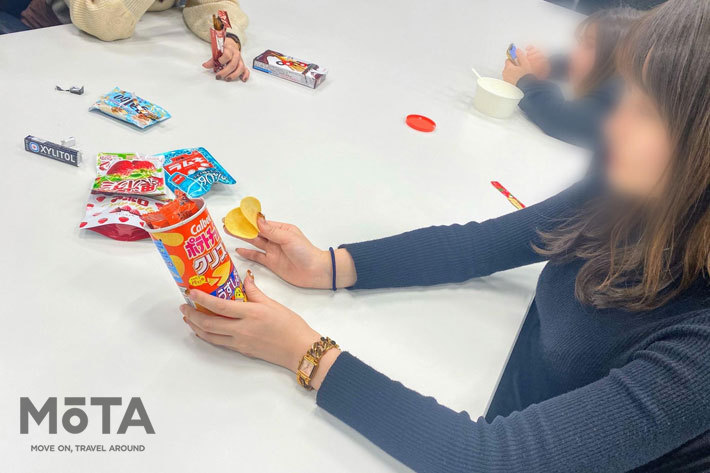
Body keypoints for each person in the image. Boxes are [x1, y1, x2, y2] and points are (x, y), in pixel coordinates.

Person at [179, 0, 710, 470]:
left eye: (642, 112)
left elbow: (488, 459)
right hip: (506, 390)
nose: (609, 123)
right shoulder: (637, 186)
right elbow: (483, 243)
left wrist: (302, 350)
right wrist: (328, 265)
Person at [502, 8, 641, 149]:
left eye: (588, 44)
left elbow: (560, 117)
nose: (575, 52)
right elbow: (575, 62)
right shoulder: (622, 80)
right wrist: (548, 67)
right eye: (580, 43)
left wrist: (524, 82)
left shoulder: (618, 105)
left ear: (619, 60)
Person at [18, 0, 250, 82]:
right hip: (54, 43)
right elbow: (101, 20)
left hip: (136, 50)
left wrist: (227, 37)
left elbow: (214, 4)